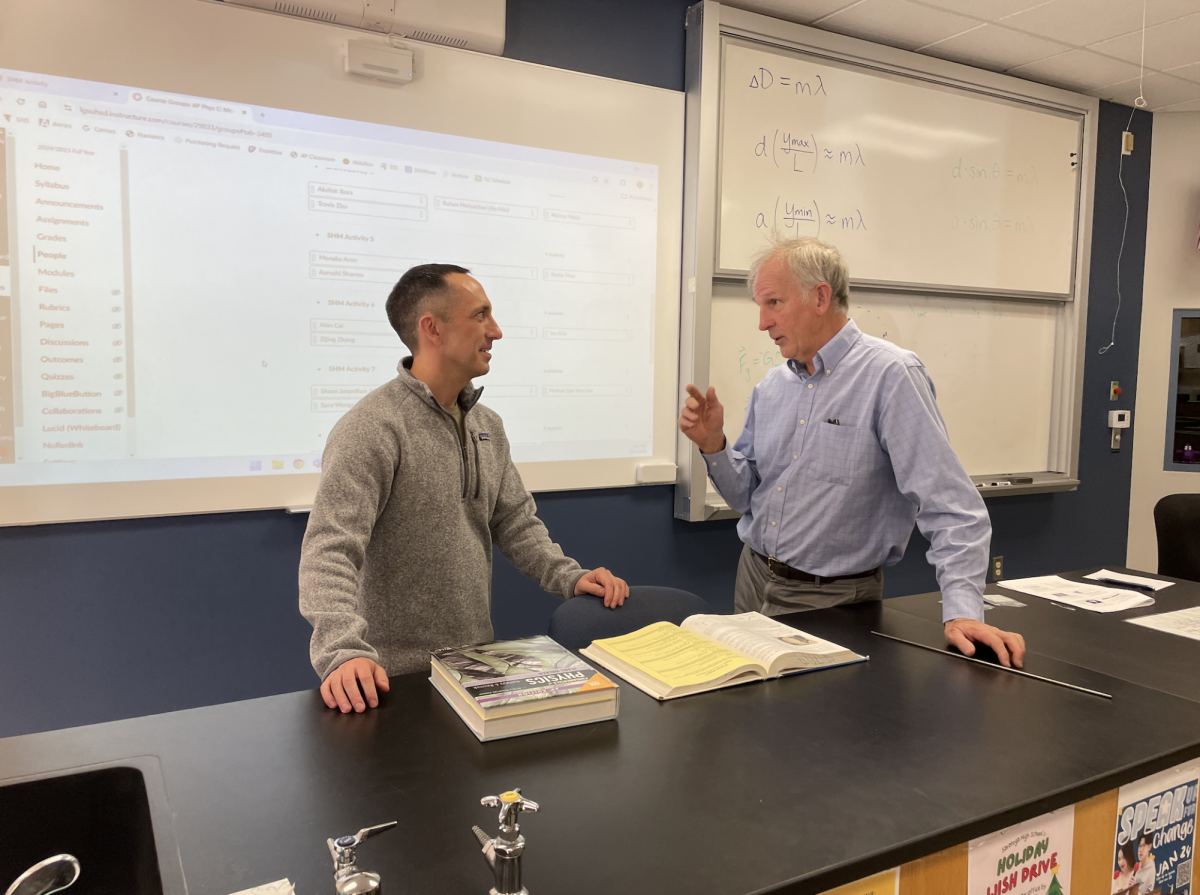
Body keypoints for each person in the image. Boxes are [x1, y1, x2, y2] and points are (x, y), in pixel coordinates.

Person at [678, 236, 1026, 667]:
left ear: (820, 296)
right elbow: (746, 497)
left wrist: (962, 612)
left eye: (773, 302)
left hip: (833, 601)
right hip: (752, 579)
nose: (762, 323)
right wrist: (713, 446)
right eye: (759, 306)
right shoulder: (772, 387)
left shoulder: (891, 376)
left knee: (818, 729)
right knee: (752, 720)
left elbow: (953, 507)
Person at [300, 263, 629, 713]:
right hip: (389, 681)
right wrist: (342, 650)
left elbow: (514, 521)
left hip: (476, 667)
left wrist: (568, 576)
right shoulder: (372, 428)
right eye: (480, 315)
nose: (496, 331)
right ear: (432, 328)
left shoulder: (486, 425)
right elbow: (329, 549)